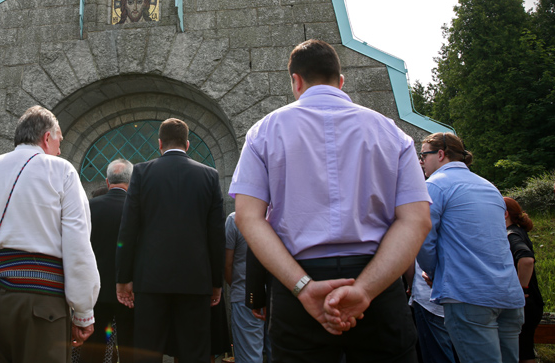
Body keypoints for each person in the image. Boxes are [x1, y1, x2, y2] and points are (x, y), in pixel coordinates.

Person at [230, 39, 432, 362]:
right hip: (378, 281)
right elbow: (417, 219)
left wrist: (303, 288)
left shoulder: (262, 133)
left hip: (296, 281)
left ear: (295, 81)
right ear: (341, 81)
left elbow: (247, 217)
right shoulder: (392, 133)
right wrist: (364, 290)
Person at [0, 106, 99, 363]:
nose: (60, 150)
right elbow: (78, 244)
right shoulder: (62, 170)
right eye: (59, 140)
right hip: (42, 305)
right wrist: (83, 311)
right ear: (47, 137)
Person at [115, 117, 225, 363]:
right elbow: (216, 234)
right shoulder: (209, 175)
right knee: (194, 351)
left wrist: (123, 278)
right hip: (196, 280)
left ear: (159, 143)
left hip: (150, 279)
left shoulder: (142, 172)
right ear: (187, 144)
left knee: (147, 351)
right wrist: (216, 282)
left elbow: (128, 230)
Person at [416, 132, 524, 363]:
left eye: (423, 155)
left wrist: (435, 273)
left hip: (469, 296)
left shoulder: (435, 185)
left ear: (441, 154)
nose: (421, 161)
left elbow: (423, 238)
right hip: (508, 294)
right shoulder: (489, 187)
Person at [79, 158, 136, 363]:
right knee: (129, 346)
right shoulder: (137, 209)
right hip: (129, 292)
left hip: (95, 290)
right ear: (132, 181)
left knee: (93, 348)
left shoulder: (89, 207)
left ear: (107, 181)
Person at [503, 197, 543, 363]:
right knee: (525, 352)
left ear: (505, 214)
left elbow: (526, 259)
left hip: (526, 303)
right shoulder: (518, 231)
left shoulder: (511, 235)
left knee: (523, 354)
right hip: (532, 302)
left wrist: (520, 289)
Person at [225, 212, 265, 363]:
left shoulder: (234, 220)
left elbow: (227, 264)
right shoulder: (278, 216)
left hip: (245, 295)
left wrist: (239, 286)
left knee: (249, 358)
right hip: (277, 295)